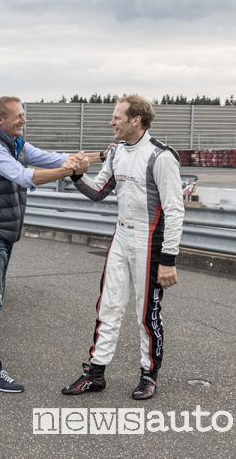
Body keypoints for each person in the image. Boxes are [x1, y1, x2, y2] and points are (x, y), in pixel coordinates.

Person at [0, 96, 101, 393]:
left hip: (2, 232)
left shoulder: (18, 145)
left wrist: (89, 157)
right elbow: (23, 177)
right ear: (0, 120)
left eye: (23, 115)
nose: (24, 120)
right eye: (18, 116)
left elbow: (50, 157)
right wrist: (69, 171)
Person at [61, 95, 183, 400]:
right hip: (121, 237)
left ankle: (149, 375)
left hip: (150, 242)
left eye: (117, 117)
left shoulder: (161, 156)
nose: (111, 122)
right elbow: (98, 191)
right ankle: (96, 373)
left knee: (147, 313)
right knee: (108, 305)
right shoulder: (116, 153)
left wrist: (168, 260)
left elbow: (175, 210)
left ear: (135, 120)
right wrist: (77, 175)